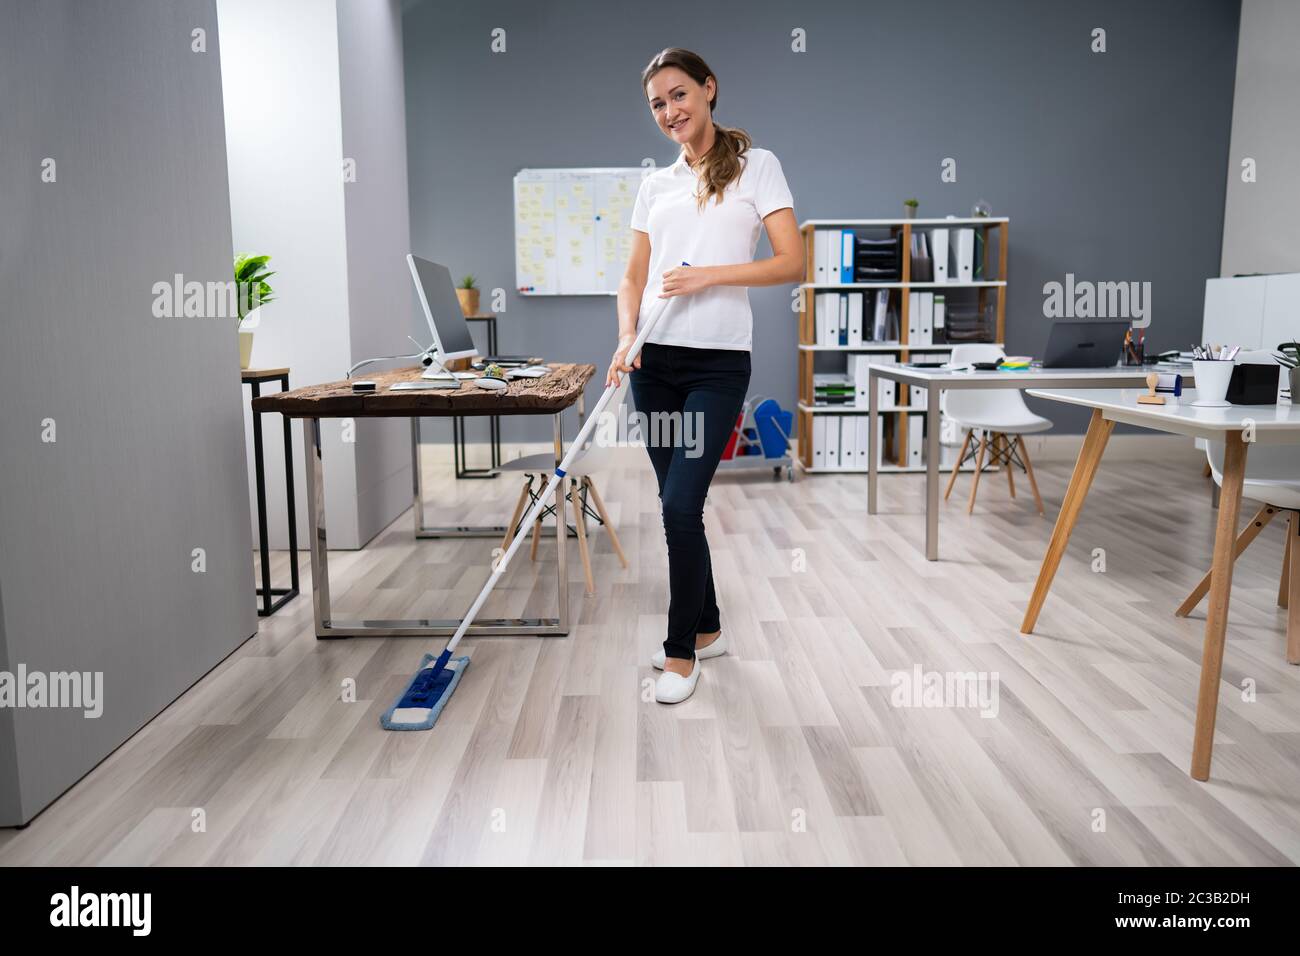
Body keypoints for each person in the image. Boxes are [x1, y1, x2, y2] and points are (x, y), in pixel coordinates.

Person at [608, 47, 802, 703]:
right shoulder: (655, 184)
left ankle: (679, 653)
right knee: (678, 508)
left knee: (677, 505)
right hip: (653, 365)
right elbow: (632, 277)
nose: (669, 110)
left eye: (679, 94)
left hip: (717, 365)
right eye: (657, 103)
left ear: (709, 90)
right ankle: (710, 624)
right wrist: (626, 337)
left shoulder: (757, 167)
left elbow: (790, 262)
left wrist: (706, 276)